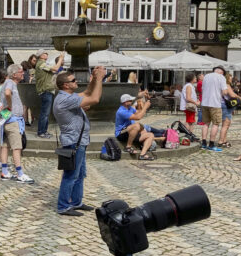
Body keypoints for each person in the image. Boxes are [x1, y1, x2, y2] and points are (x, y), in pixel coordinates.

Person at [52, 66, 105, 216]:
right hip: (73, 142)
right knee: (71, 175)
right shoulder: (64, 99)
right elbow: (94, 98)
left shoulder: (68, 97)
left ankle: (76, 202)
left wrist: (94, 79)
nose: (76, 82)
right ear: (65, 85)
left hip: (80, 140)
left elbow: (88, 92)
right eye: (73, 80)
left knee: (80, 174)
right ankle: (63, 206)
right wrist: (100, 79)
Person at [0, 64, 35, 183]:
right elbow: (8, 93)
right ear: (14, 75)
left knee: (5, 146)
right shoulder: (10, 83)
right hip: (13, 120)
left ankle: (5, 172)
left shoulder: (9, 83)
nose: (23, 73)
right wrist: (10, 106)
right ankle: (20, 174)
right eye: (21, 72)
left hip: (7, 119)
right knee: (17, 147)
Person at [34, 49, 65, 138]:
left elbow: (55, 70)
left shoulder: (44, 64)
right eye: (45, 53)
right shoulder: (41, 64)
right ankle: (41, 132)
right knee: (45, 113)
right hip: (45, 91)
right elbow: (56, 68)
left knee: (46, 113)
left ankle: (44, 131)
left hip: (48, 91)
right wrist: (60, 58)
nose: (47, 54)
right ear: (41, 55)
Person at [115, 94, 155, 161]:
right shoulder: (121, 111)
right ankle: (128, 147)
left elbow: (138, 113)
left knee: (150, 135)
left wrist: (143, 106)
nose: (132, 101)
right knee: (137, 125)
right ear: (125, 102)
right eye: (130, 100)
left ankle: (142, 155)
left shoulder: (130, 108)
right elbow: (138, 117)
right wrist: (145, 107)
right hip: (121, 133)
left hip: (131, 132)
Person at [200, 66, 226, 152]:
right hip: (215, 103)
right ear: (221, 72)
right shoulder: (221, 77)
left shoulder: (206, 76)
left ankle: (203, 143)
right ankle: (211, 144)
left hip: (205, 103)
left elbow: (202, 89)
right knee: (216, 124)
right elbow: (224, 91)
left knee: (205, 123)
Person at [218, 73, 239, 148]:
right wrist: (238, 96)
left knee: (226, 124)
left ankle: (224, 140)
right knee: (226, 124)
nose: (231, 79)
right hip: (226, 106)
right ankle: (221, 141)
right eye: (230, 78)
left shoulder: (224, 85)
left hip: (224, 105)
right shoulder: (227, 85)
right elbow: (232, 95)